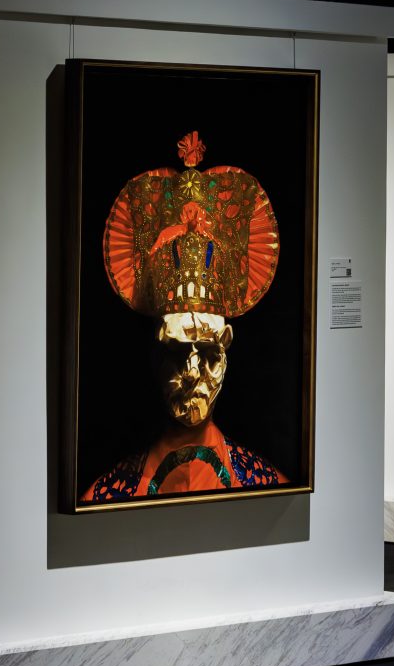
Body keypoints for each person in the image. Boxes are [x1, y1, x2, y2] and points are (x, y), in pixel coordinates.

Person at [82, 131, 291, 502]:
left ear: (226, 350)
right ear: (155, 354)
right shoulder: (107, 495)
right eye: (178, 352)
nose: (193, 373)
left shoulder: (265, 484)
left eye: (208, 354)